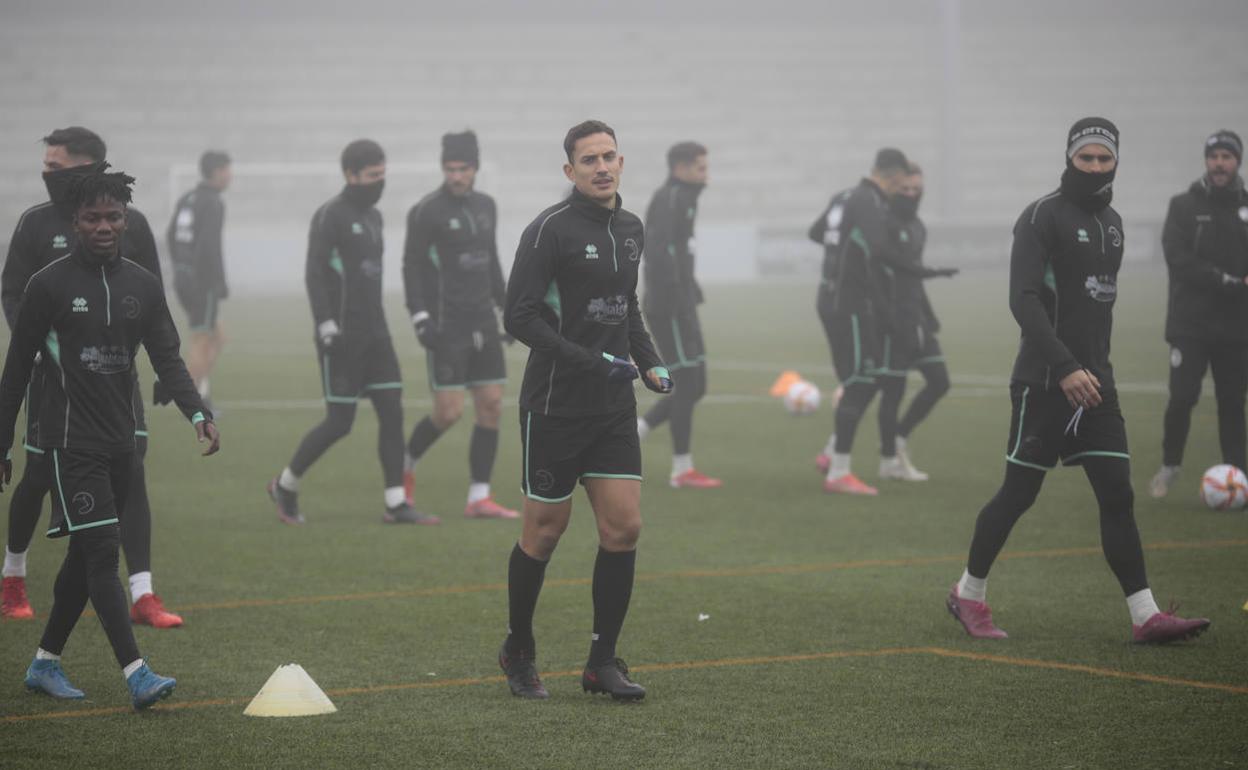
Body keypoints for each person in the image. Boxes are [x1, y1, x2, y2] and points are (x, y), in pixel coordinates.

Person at [945, 118, 1210, 644]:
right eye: (1084, 158)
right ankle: (968, 595)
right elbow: (1022, 299)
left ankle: (1145, 615)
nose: (1093, 166)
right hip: (1044, 381)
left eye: (1103, 159)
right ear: (1069, 158)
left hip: (1097, 386)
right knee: (1018, 494)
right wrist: (1064, 367)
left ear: (1115, 163)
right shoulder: (1041, 217)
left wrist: (1091, 372)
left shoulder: (1113, 222)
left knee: (1117, 495)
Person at [0, 169, 219, 708]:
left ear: (125, 220)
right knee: (102, 551)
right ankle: (138, 674)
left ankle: (44, 664)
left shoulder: (141, 285)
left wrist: (197, 413)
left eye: (113, 217)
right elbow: (15, 369)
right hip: (69, 442)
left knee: (83, 555)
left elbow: (166, 353)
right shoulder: (47, 285)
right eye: (93, 218)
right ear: (74, 222)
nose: (104, 226)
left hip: (122, 441)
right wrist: (3, 441)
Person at [498, 120, 671, 701]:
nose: (602, 167)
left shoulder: (630, 228)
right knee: (544, 533)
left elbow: (627, 309)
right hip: (553, 406)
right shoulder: (548, 230)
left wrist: (648, 360)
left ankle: (601, 662)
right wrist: (594, 362)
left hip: (613, 407)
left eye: (609, 157)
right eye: (588, 160)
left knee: (624, 527)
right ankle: (518, 649)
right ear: (569, 171)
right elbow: (518, 318)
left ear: (622, 163)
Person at [0, 126, 183, 627]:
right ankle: (12, 574)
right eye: (46, 167)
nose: (47, 175)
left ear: (90, 167)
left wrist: (168, 367)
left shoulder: (134, 224)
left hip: (115, 381)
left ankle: (143, 593)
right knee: (37, 476)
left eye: (57, 168)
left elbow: (153, 299)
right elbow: (13, 292)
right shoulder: (35, 224)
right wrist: (37, 342)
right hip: (52, 379)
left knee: (132, 472)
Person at [268, 139, 436, 526]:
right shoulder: (330, 216)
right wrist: (326, 325)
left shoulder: (375, 217)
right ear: (351, 175)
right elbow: (314, 273)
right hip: (341, 337)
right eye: (372, 176)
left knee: (392, 413)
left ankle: (396, 503)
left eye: (382, 175)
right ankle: (286, 485)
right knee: (340, 422)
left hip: (377, 334)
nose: (379, 182)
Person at [402, 131, 517, 519]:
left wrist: (509, 309)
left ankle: (479, 497)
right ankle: (405, 465)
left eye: (462, 169)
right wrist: (419, 316)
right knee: (448, 412)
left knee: (491, 406)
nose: (455, 176)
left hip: (483, 321)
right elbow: (411, 267)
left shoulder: (488, 206)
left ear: (475, 168)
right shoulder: (426, 211)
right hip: (446, 324)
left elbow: (492, 260)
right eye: (449, 169)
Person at [808, 148, 914, 495]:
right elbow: (877, 247)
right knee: (861, 380)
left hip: (834, 296)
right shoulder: (869, 200)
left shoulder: (844, 196)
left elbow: (816, 231)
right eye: (902, 183)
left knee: (861, 380)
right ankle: (838, 471)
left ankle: (832, 456)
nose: (903, 191)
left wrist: (840, 251)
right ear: (894, 176)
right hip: (849, 301)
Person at [1148, 130, 1248, 497]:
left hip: (1237, 326)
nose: (1220, 163)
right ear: (1206, 161)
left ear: (1238, 161)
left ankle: (1236, 477)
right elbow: (1178, 258)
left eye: (1227, 156)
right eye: (1214, 156)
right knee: (1183, 397)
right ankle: (1169, 466)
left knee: (1233, 402)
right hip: (1190, 324)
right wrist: (1227, 281)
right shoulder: (1183, 206)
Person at [637, 141, 721, 488]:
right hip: (669, 306)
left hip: (681, 302)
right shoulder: (670, 200)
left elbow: (678, 251)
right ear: (681, 169)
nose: (706, 174)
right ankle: (682, 470)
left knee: (697, 385)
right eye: (701, 167)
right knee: (686, 384)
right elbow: (657, 252)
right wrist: (673, 295)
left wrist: (690, 287)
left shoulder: (685, 199)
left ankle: (633, 434)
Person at [874, 163, 957, 481]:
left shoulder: (919, 227)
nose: (910, 195)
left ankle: (899, 439)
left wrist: (929, 313)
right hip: (893, 323)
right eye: (905, 189)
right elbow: (883, 274)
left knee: (940, 381)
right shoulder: (884, 225)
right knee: (892, 392)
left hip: (917, 318)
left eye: (916, 190)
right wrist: (885, 317)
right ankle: (887, 461)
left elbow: (914, 274)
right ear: (894, 189)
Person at [164, 150, 231, 412]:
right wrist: (219, 282)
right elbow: (208, 246)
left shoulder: (187, 199)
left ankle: (197, 393)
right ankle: (189, 402)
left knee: (219, 337)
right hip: (202, 282)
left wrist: (181, 269)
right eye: (228, 170)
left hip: (184, 278)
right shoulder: (213, 202)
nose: (230, 176)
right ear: (216, 172)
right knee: (202, 340)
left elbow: (171, 236)